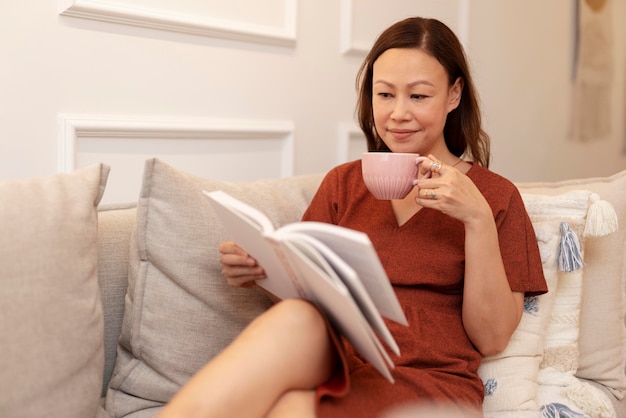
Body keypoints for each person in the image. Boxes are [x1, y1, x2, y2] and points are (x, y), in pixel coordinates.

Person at [157, 16, 547, 418]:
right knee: (296, 317)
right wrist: (261, 269)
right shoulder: (344, 184)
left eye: (418, 96)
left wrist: (476, 220)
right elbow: (308, 291)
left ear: (453, 95)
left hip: (427, 381)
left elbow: (493, 337)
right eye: (385, 94)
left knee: (289, 409)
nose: (397, 113)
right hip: (341, 361)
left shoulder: (496, 198)